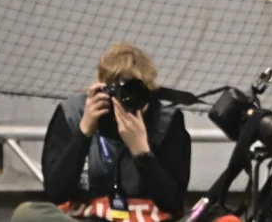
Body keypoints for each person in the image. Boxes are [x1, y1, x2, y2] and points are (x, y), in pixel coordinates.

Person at [13, 42, 190, 222]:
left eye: (137, 93)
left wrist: (142, 152)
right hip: (87, 219)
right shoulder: (74, 114)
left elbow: (172, 202)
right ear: (104, 89)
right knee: (27, 213)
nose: (127, 102)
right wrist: (84, 132)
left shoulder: (166, 121)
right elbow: (56, 193)